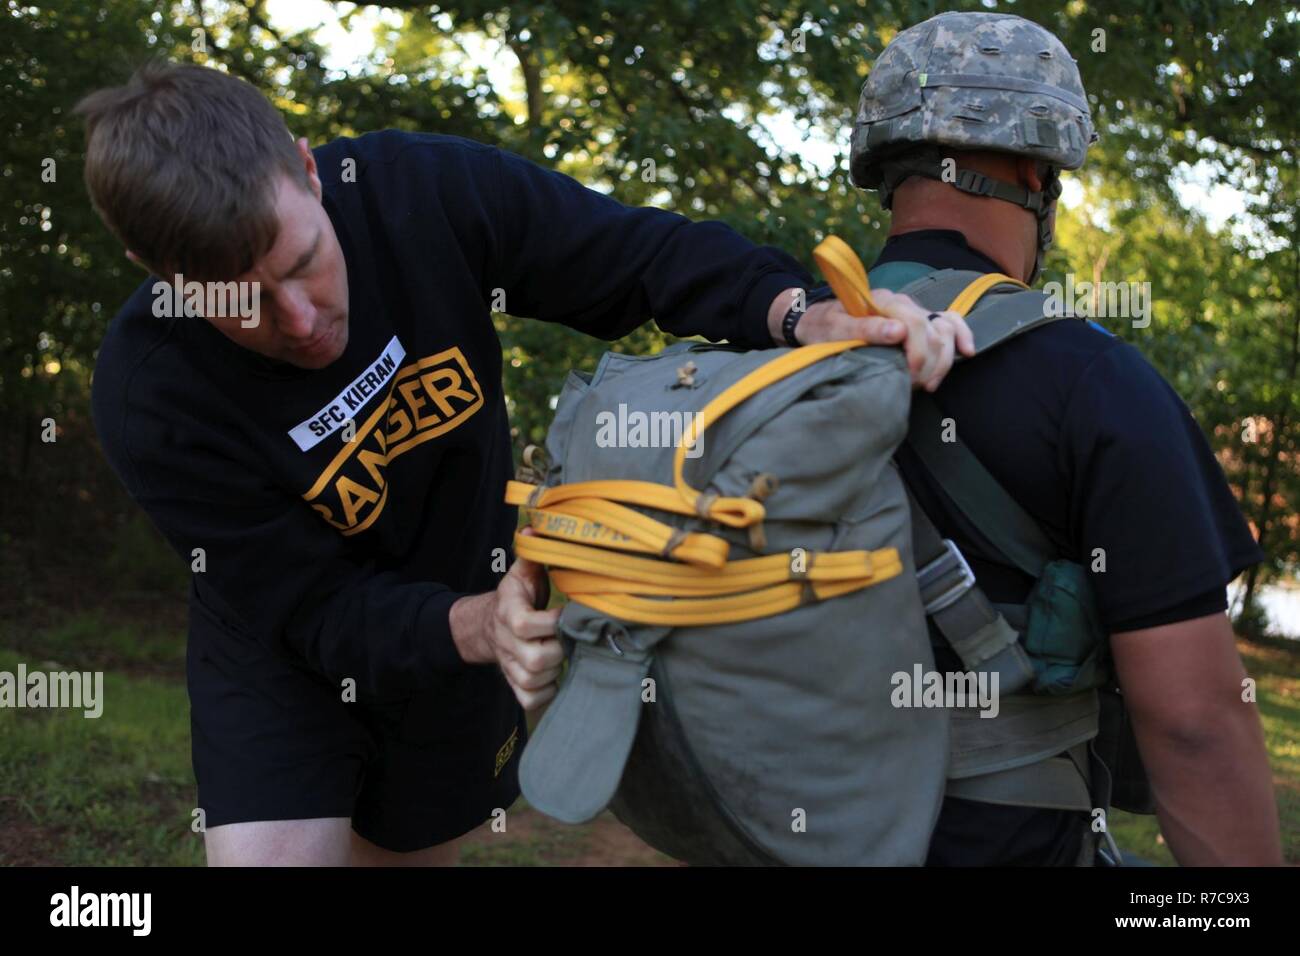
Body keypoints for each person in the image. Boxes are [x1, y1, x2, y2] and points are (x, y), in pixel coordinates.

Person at [76, 61, 968, 866]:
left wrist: (800, 313)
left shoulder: (418, 192)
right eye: (244, 305)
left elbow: (634, 258)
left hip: (466, 603)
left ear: (310, 171)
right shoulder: (150, 392)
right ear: (158, 275)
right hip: (288, 646)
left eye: (304, 263)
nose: (301, 322)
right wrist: (478, 624)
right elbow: (311, 607)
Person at [800, 10, 1280, 865]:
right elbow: (1195, 722)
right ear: (1035, 169)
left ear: (882, 169)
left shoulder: (774, 351)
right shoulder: (1094, 381)